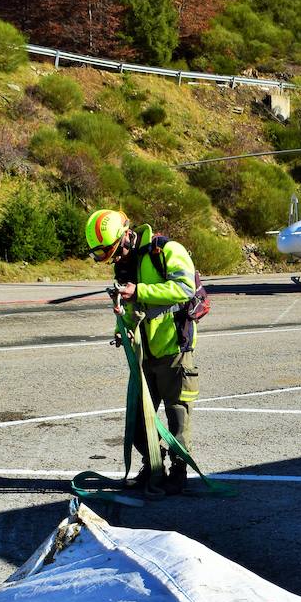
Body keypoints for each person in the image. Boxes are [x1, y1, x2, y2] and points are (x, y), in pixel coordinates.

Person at [85, 208, 200, 495]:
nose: (111, 260)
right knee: (137, 420)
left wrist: (140, 292)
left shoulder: (166, 251)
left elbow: (184, 288)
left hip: (174, 348)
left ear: (125, 236)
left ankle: (178, 472)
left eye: (111, 252)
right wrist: (121, 326)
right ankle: (153, 465)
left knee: (178, 418)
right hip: (143, 353)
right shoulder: (124, 265)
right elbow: (129, 305)